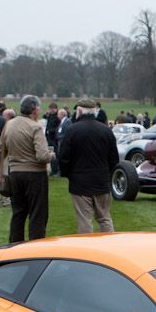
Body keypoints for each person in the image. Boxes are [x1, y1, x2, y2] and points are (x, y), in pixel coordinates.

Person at [58, 99, 119, 234]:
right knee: (104, 218)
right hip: (101, 181)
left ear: (79, 111)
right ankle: (109, 246)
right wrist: (105, 172)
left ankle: (87, 251)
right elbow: (114, 158)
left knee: (84, 220)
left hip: (80, 182)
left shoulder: (72, 130)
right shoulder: (106, 130)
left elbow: (63, 158)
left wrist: (69, 174)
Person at [0, 95, 54, 242]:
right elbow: (42, 156)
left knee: (18, 212)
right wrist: (52, 156)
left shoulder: (8, 124)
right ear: (35, 110)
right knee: (37, 214)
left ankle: (14, 245)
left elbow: (1, 150)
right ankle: (35, 246)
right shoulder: (35, 127)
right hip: (35, 174)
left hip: (15, 173)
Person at [45, 103, 62, 177]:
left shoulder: (57, 117)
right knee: (50, 153)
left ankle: (56, 170)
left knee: (55, 154)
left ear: (55, 108)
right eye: (50, 108)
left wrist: (50, 131)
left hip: (54, 138)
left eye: (52, 108)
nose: (51, 110)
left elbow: (57, 128)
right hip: (49, 138)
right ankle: (53, 169)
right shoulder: (50, 116)